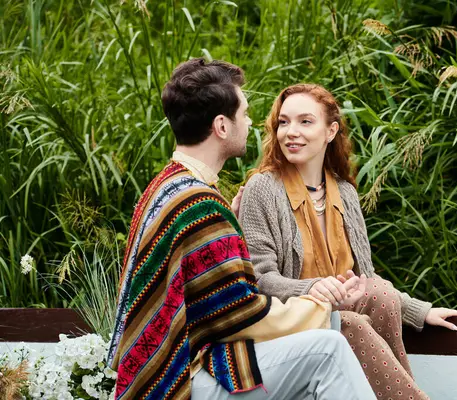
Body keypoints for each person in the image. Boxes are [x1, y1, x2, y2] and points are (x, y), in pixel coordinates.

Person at [107, 60, 377, 400]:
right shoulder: (199, 203)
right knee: (328, 350)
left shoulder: (167, 186)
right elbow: (237, 316)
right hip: (183, 379)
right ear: (222, 125)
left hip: (177, 364)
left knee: (317, 349)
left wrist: (227, 223)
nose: (250, 123)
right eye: (245, 113)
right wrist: (324, 304)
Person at [237, 83, 457, 400]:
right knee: (351, 324)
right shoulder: (262, 189)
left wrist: (419, 311)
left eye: (305, 121)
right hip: (288, 322)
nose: (290, 132)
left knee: (381, 293)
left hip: (338, 310)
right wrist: (311, 289)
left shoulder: (344, 194)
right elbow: (258, 279)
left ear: (330, 131)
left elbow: (367, 279)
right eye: (283, 122)